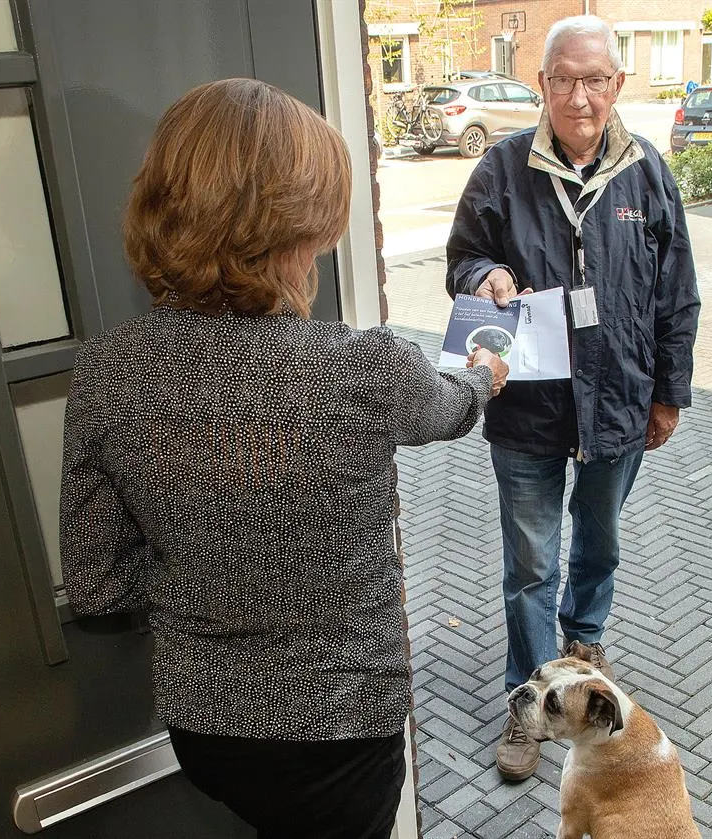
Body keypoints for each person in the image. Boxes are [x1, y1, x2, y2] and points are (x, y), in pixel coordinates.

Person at [59, 78, 509, 839]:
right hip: (339, 731)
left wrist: (208, 571)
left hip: (206, 730)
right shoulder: (363, 367)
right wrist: (487, 371)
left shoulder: (106, 371)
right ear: (296, 228)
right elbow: (451, 406)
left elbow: (98, 586)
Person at [445, 16, 700, 783]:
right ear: (543, 84)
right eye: (563, 79)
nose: (579, 96)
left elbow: (677, 293)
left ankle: (582, 648)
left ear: (617, 83)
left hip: (619, 403)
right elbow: (463, 258)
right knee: (529, 563)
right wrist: (480, 277)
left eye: (594, 80)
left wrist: (669, 393)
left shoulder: (647, 172)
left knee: (599, 545)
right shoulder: (499, 168)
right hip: (527, 405)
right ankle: (527, 699)